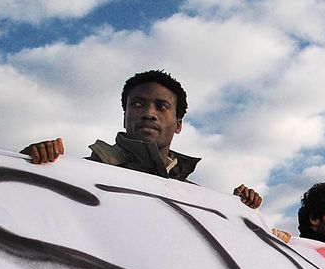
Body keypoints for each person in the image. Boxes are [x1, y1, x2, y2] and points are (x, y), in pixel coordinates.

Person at [19, 69, 263, 209]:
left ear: (178, 124)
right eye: (137, 104)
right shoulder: (81, 174)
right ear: (125, 116)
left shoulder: (194, 198)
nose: (149, 113)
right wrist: (29, 165)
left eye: (161, 106)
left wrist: (240, 212)